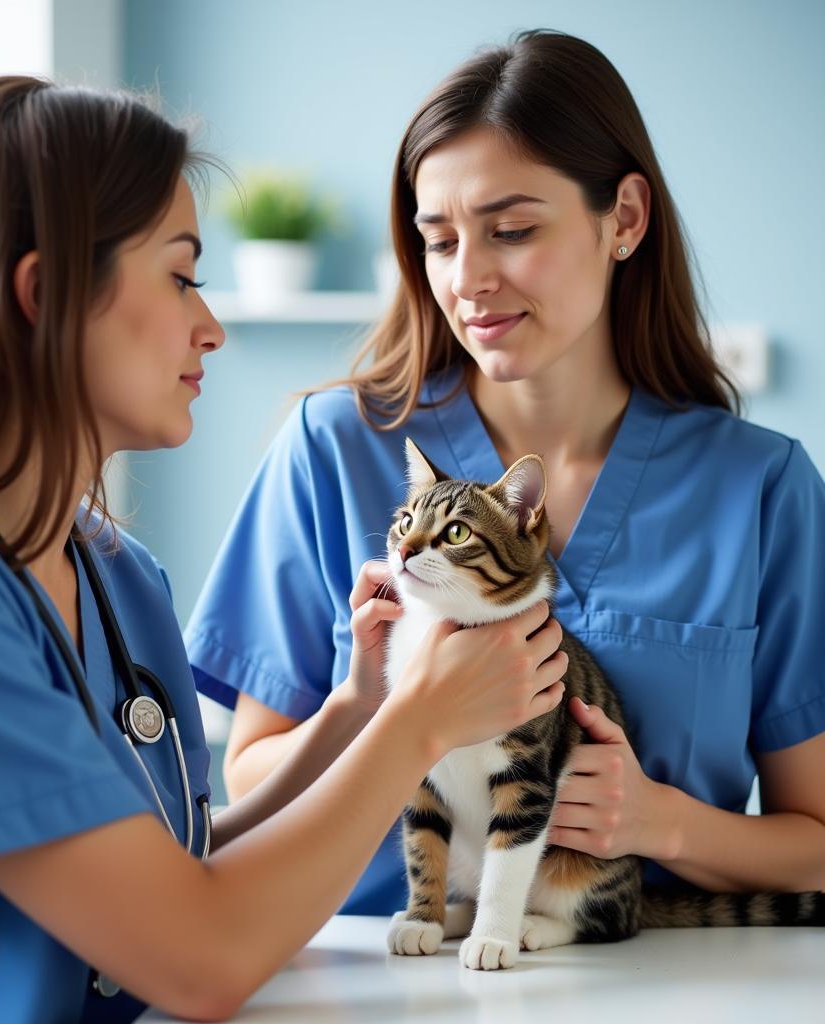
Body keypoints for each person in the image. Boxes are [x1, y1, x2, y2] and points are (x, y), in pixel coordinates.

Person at [0, 77, 569, 1023]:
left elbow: (174, 862)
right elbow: (197, 956)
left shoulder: (114, 570)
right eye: (181, 275)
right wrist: (417, 724)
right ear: (46, 295)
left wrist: (352, 713)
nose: (210, 327)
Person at [186, 29, 825, 917]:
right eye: (439, 241)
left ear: (626, 219)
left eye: (512, 230)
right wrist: (395, 716)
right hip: (375, 983)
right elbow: (248, 783)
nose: (469, 279)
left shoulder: (759, 491)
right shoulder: (333, 448)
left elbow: (817, 842)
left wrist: (658, 823)